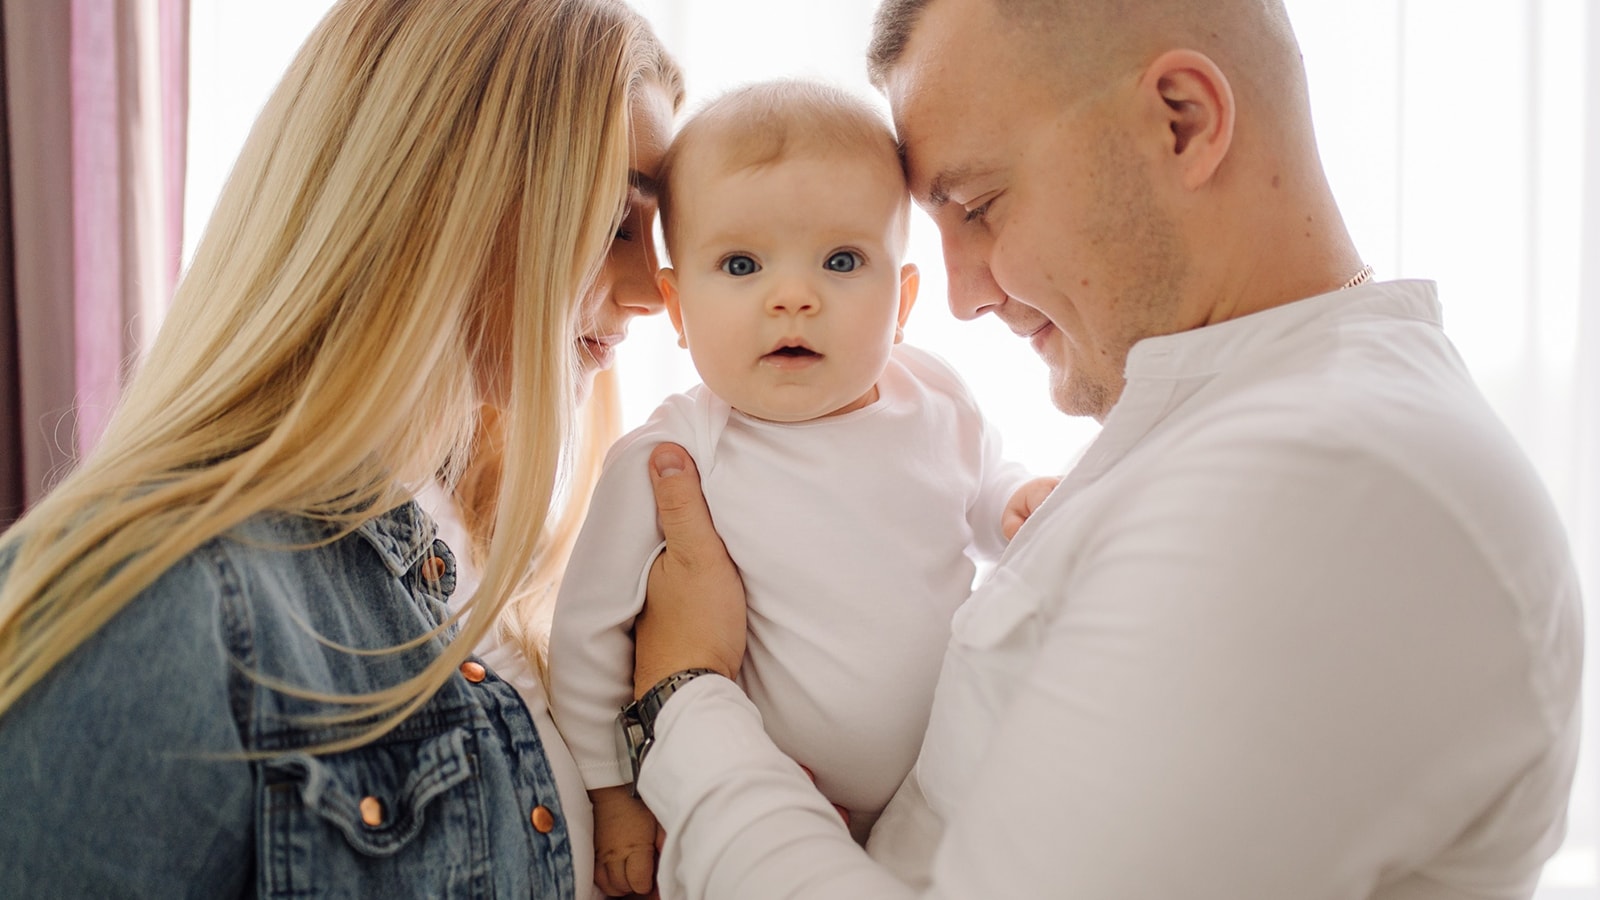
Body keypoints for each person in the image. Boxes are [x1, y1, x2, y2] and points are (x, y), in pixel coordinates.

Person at [622, 1, 1586, 898]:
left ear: (1181, 122)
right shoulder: (1228, 427)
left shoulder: (1323, 485)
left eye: (981, 204)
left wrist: (687, 702)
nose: (959, 297)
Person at [0, 0, 683, 895]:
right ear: (437, 193)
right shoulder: (166, 603)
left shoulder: (497, 570)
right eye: (610, 224)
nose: (650, 290)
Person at [545, 79, 1057, 898]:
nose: (794, 296)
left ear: (904, 301)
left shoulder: (935, 393)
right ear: (676, 307)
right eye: (741, 263)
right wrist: (613, 793)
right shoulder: (678, 453)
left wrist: (1013, 503)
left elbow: (978, 482)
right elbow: (586, 636)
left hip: (949, 793)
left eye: (843, 260)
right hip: (758, 800)